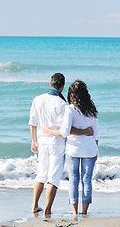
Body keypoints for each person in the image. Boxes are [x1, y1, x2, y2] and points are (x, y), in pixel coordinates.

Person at [28, 73, 92, 215]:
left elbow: (32, 122)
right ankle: (47, 210)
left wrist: (33, 140)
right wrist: (85, 132)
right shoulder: (63, 104)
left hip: (42, 142)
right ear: (62, 87)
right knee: (53, 177)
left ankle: (34, 206)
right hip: (57, 143)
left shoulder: (37, 99)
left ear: (50, 84)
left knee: (41, 174)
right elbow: (67, 130)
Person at [42, 80, 99, 216]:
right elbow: (96, 134)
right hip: (90, 149)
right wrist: (95, 150)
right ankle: (84, 212)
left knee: (74, 181)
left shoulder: (70, 109)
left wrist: (48, 130)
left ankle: (74, 212)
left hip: (73, 149)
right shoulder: (92, 110)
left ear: (71, 94)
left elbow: (65, 131)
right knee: (87, 181)